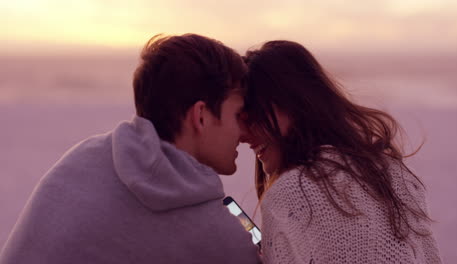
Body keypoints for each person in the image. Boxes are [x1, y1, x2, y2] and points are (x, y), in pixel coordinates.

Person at [0, 34, 261, 264]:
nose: (245, 131)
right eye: (238, 115)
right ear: (201, 116)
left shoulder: (83, 157)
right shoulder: (217, 235)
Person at [239, 40, 442, 263]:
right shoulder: (397, 174)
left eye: (252, 115)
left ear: (290, 103)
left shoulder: (290, 193)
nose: (243, 135)